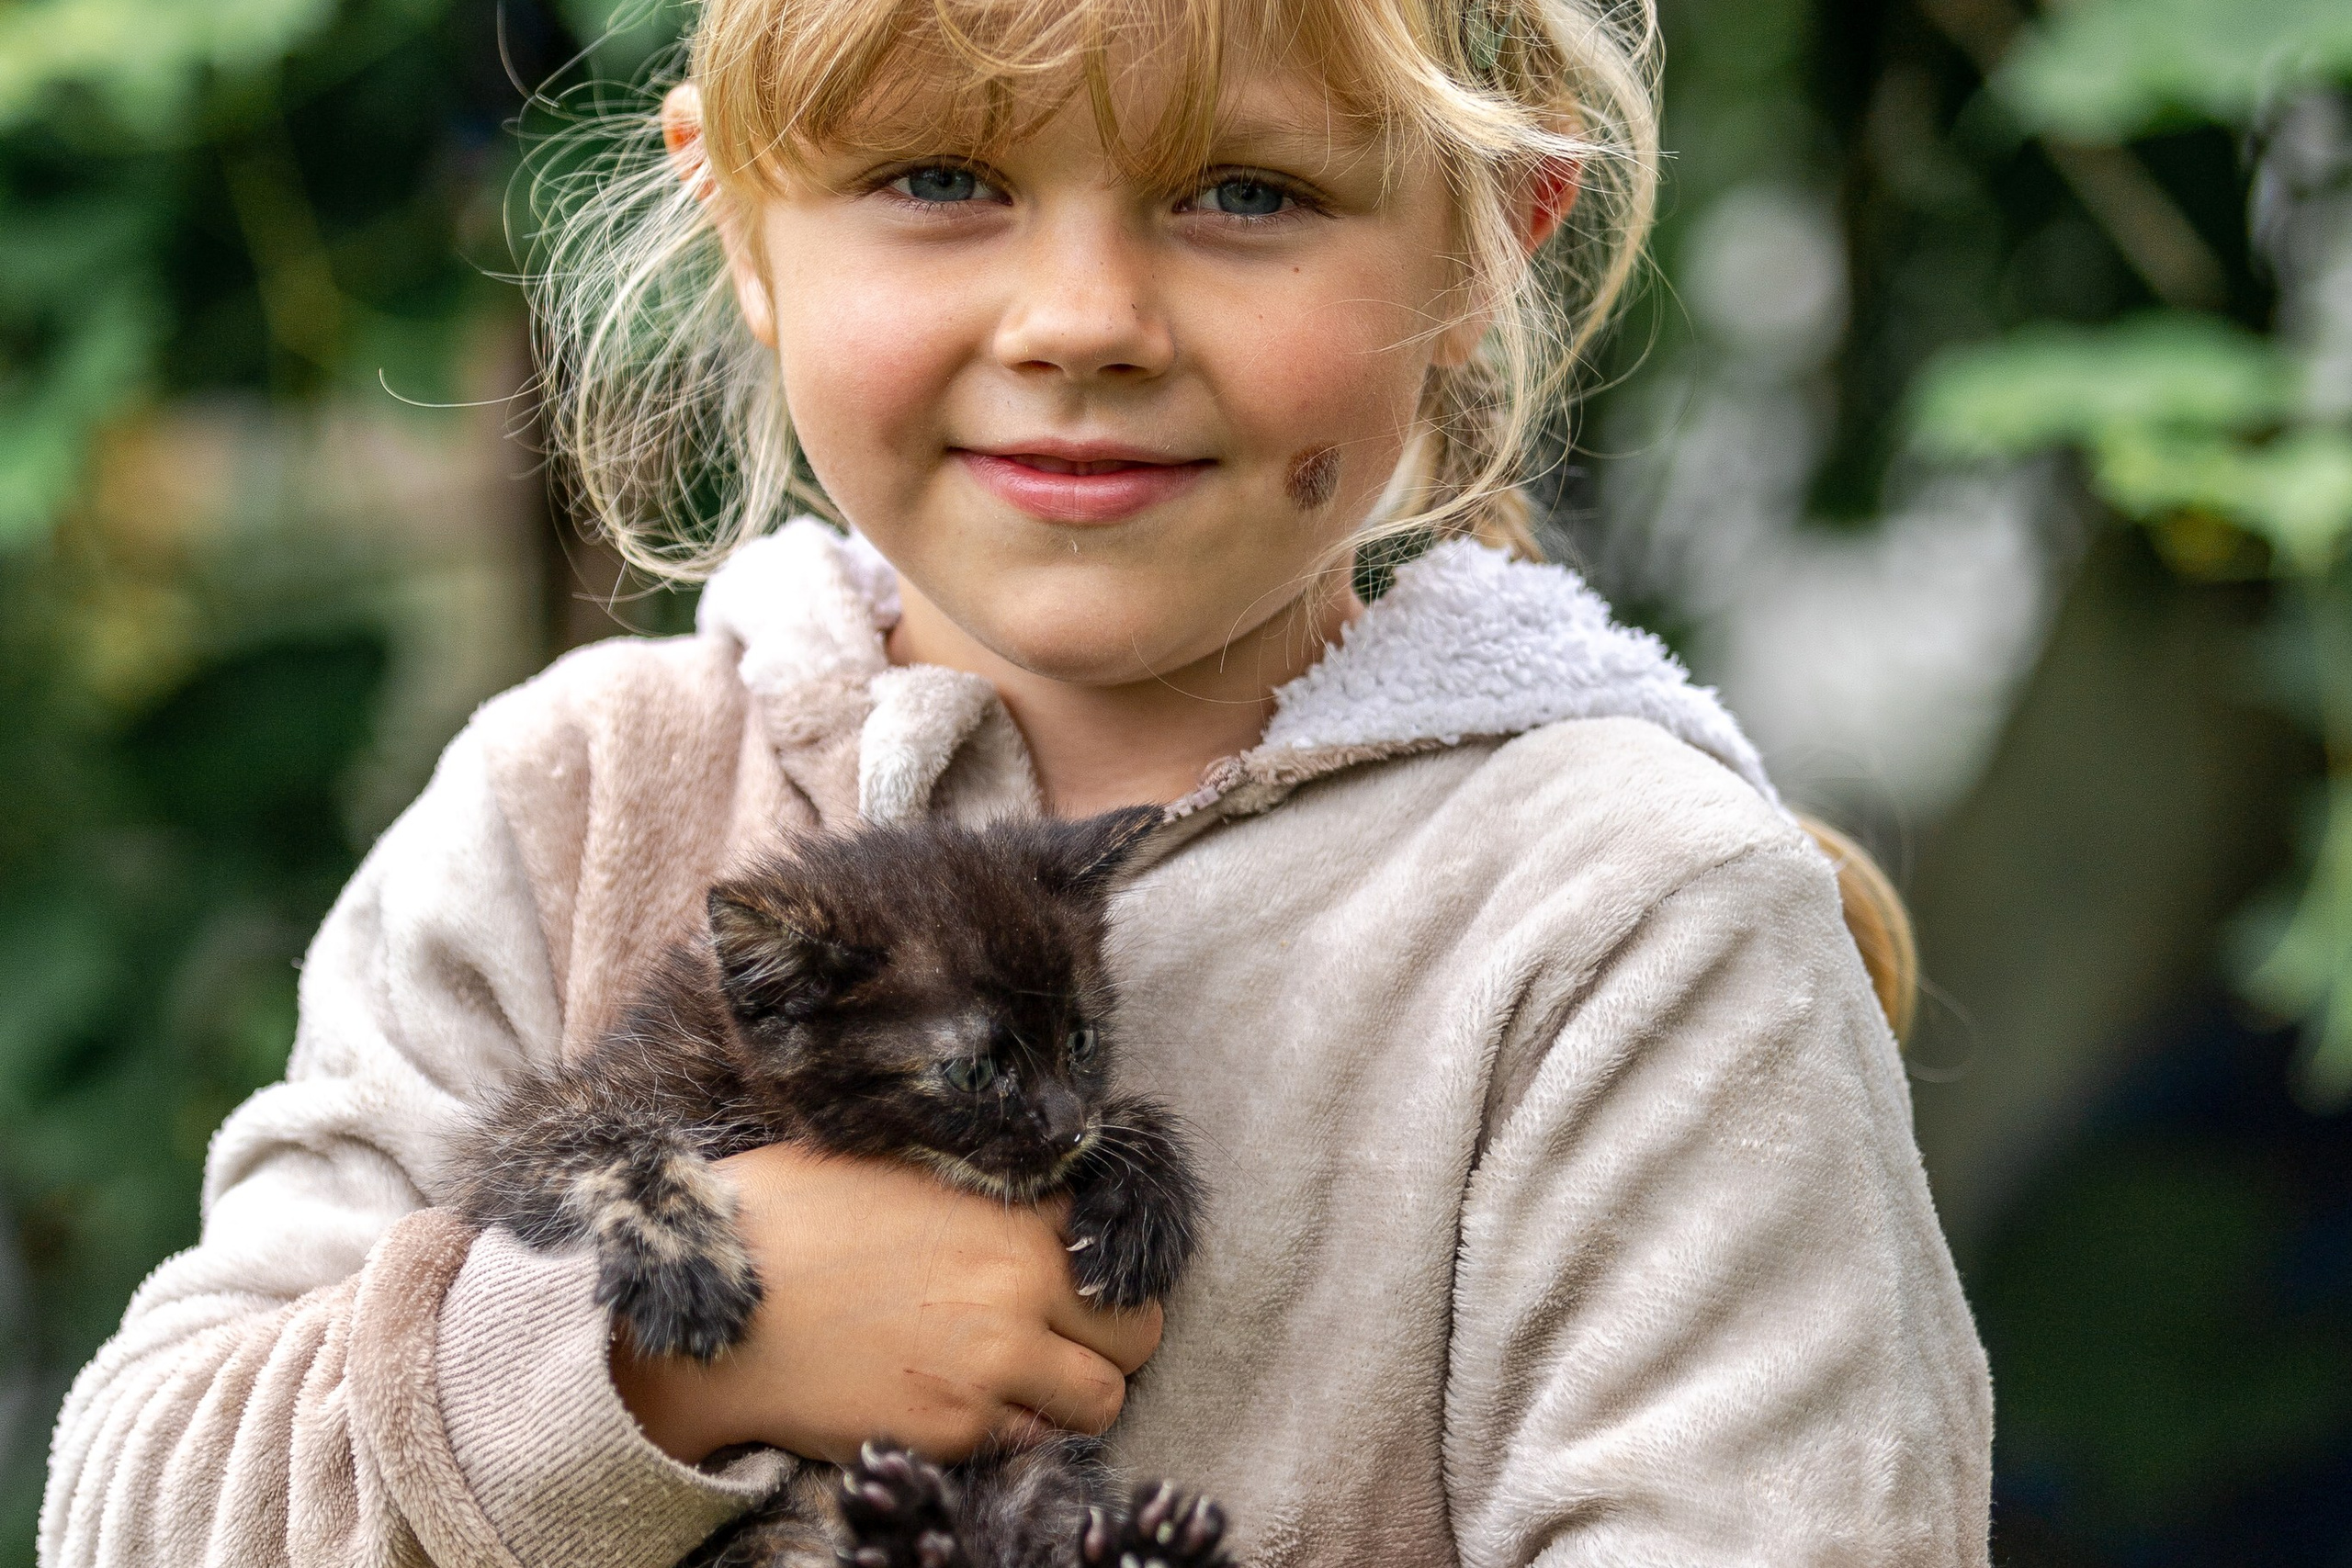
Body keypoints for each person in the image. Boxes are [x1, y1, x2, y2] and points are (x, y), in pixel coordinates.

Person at [39, 0, 1992, 1562]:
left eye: (1242, 193)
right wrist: (653, 1353)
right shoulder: (578, 800)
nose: (1080, 324)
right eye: (940, 175)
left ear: (1489, 242)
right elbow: (141, 1504)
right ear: (741, 232)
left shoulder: (1627, 918)